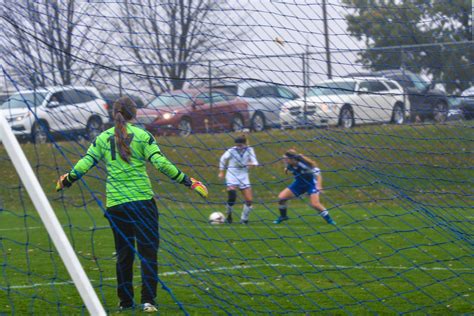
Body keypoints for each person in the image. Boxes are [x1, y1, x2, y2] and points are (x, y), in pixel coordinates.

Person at [56, 96, 208, 313]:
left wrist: (68, 179)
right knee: (148, 252)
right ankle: (148, 301)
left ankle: (125, 301)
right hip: (142, 202)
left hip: (116, 205)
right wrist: (188, 181)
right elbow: (160, 163)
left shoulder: (103, 138)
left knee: (124, 253)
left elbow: (86, 162)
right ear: (134, 114)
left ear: (114, 114)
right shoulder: (143, 136)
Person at [274, 149, 335, 225]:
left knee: (315, 204)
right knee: (281, 198)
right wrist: (286, 169)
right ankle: (283, 216)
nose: (284, 160)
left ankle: (329, 220)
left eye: (286, 159)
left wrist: (318, 185)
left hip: (310, 185)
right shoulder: (289, 164)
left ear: (292, 159)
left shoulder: (303, 165)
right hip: (298, 184)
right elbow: (288, 167)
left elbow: (318, 173)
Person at [218, 135, 258, 224]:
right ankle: (229, 216)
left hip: (243, 176)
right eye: (237, 145)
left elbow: (255, 162)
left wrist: (251, 164)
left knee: (249, 200)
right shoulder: (232, 150)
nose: (238, 147)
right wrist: (221, 172)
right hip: (232, 174)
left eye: (240, 145)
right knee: (232, 195)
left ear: (244, 144)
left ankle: (244, 219)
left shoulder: (250, 150)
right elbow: (223, 159)